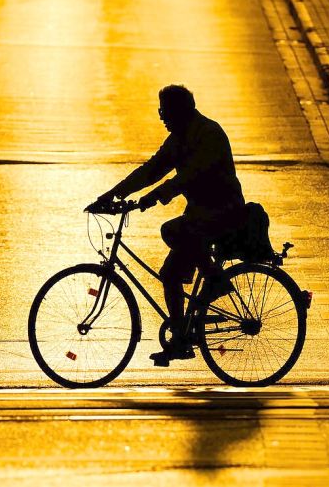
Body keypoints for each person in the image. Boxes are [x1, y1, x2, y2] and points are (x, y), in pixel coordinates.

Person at [88, 84, 245, 367]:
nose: (161, 117)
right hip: (200, 214)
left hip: (223, 212)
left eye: (165, 111)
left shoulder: (208, 133)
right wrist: (112, 195)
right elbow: (152, 169)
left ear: (180, 110)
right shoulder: (179, 138)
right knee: (170, 273)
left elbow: (191, 177)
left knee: (172, 230)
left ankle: (214, 279)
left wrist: (152, 197)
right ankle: (181, 340)